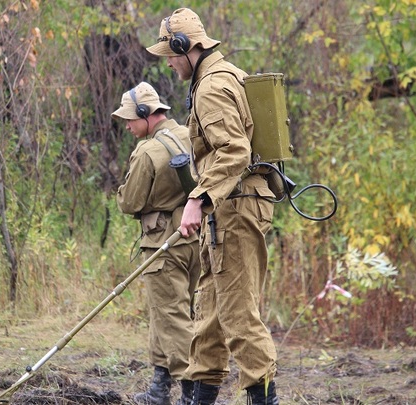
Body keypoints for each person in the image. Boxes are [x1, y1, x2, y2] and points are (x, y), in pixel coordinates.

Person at [146, 7, 281, 405]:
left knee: (239, 317)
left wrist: (196, 199)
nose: (168, 63)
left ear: (187, 48)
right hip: (230, 209)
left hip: (234, 209)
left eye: (170, 54)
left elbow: (234, 150)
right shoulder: (225, 75)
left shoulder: (211, 87)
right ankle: (199, 396)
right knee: (210, 315)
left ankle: (264, 398)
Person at [113, 82, 201, 405]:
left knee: (171, 315)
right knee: (172, 312)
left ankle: (194, 394)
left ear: (145, 113)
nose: (127, 125)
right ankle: (159, 389)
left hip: (163, 244)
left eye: (129, 119)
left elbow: (130, 201)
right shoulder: (189, 134)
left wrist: (123, 194)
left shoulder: (148, 151)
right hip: (194, 238)